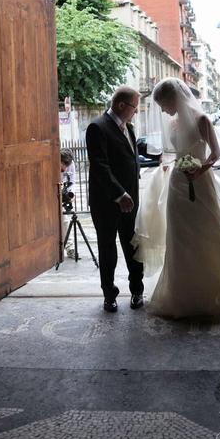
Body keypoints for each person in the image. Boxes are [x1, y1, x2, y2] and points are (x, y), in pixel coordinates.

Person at [132, 77, 220, 322]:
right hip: (177, 183)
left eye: (163, 103)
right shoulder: (172, 123)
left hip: (200, 182)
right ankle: (181, 295)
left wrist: (200, 169)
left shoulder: (202, 119)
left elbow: (217, 153)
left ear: (173, 98)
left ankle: (216, 294)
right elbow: (171, 154)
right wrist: (167, 166)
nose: (162, 109)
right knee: (178, 237)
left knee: (208, 235)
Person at [86, 86, 144, 313]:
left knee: (133, 247)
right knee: (108, 249)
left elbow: (128, 158)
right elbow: (100, 166)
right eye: (134, 107)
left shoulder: (128, 127)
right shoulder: (97, 127)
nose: (136, 112)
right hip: (107, 203)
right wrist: (120, 194)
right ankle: (109, 295)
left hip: (131, 201)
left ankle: (137, 291)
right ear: (121, 105)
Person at [60, 148, 76, 258]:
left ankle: (70, 247)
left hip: (63, 192)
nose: (65, 168)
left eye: (67, 165)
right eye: (63, 165)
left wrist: (72, 194)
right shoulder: (52, 161)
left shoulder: (71, 164)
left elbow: (72, 182)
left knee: (65, 221)